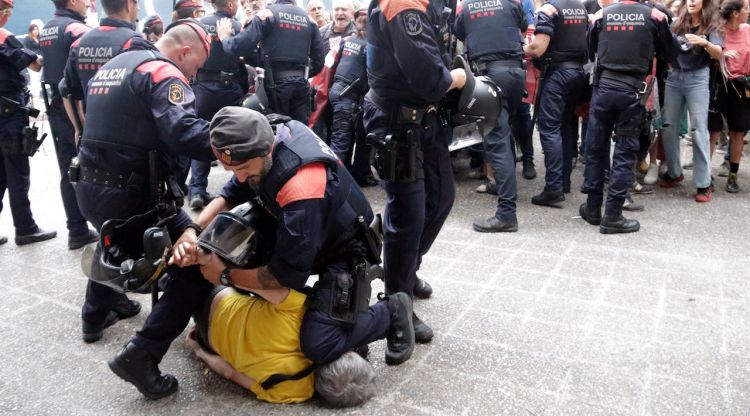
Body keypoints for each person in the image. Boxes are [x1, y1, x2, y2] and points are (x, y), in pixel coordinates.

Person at [172, 107, 416, 366]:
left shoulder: (301, 186)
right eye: (232, 169)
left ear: (267, 150)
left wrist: (224, 276)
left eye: (243, 168)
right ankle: (333, 311)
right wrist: (193, 230)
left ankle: (390, 311)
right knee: (230, 247)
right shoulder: (268, 133)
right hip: (309, 230)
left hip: (346, 249)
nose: (240, 176)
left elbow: (283, 275)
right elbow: (230, 194)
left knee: (319, 343)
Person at [73, 20, 216, 399]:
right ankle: (142, 354)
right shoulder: (162, 72)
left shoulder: (115, 65)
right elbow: (183, 131)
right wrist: (235, 140)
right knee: (197, 263)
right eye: (197, 65)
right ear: (184, 52)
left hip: (91, 188)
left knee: (114, 237)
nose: (195, 74)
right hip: (137, 198)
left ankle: (94, 314)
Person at [363, 0, 467, 342]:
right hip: (397, 120)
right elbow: (430, 79)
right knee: (409, 214)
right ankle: (396, 302)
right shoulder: (403, 3)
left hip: (426, 119)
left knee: (440, 200)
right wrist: (459, 76)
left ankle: (403, 269)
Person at [58, 0, 153, 344]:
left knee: (112, 230)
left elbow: (66, 91)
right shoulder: (135, 43)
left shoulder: (80, 43)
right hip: (126, 150)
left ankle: (115, 299)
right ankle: (94, 314)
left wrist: (81, 129)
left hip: (92, 147)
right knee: (119, 232)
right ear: (129, 5)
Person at [186, 286, 377, 406]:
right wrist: (198, 350)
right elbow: (230, 374)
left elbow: (259, 285)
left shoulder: (309, 320)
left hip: (219, 297)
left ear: (345, 352)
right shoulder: (296, 392)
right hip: (207, 336)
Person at [580, 0, 678, 234]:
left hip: (603, 89)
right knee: (625, 152)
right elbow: (670, 52)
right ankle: (612, 215)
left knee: (595, 149)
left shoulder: (602, 15)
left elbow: (590, 50)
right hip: (631, 91)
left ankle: (593, 208)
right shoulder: (655, 16)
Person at [455, 0, 525, 231]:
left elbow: (459, 32)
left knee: (497, 141)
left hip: (490, 74)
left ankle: (507, 214)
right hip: (515, 73)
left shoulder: (466, 8)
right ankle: (503, 187)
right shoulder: (510, 3)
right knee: (506, 133)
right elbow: (522, 25)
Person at [40, 0, 99, 250]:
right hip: (79, 106)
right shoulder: (75, 29)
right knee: (95, 167)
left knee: (69, 168)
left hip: (57, 106)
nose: (89, 4)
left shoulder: (47, 29)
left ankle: (76, 228)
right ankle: (102, 224)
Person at [0, 0, 56, 246]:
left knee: (0, 175)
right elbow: (34, 64)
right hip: (9, 117)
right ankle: (25, 228)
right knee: (17, 174)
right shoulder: (4, 37)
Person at [524, 0, 589, 206]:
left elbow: (537, 48)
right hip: (578, 73)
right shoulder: (580, 8)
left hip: (558, 74)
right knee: (567, 126)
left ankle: (553, 188)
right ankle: (564, 182)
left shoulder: (548, 9)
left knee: (549, 128)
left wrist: (523, 47)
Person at [220, 0, 325, 123]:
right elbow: (319, 61)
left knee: (277, 131)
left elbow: (239, 47)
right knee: (300, 132)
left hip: (275, 85)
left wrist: (225, 38)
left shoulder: (267, 15)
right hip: (301, 86)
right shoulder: (309, 20)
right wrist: (300, 73)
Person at [659, 0, 723, 202]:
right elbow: (665, 46)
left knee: (698, 129)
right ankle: (674, 172)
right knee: (668, 126)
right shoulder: (677, 22)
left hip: (698, 77)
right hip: (674, 76)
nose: (693, 1)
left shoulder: (713, 24)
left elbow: (719, 53)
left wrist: (705, 43)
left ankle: (704, 183)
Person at [188, 0, 246, 211]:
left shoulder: (199, 25)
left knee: (202, 134)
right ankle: (239, 188)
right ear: (230, 5)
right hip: (230, 88)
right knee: (236, 135)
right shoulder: (237, 26)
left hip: (202, 88)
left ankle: (196, 190)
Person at [329, 8, 374, 187]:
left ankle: (353, 177)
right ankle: (332, 183)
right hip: (348, 96)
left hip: (338, 92)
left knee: (349, 138)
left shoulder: (347, 41)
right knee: (341, 142)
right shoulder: (369, 47)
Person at [714, 0, 750, 192]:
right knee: (712, 131)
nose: (748, 11)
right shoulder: (718, 31)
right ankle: (705, 177)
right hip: (721, 84)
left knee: (738, 132)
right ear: (735, 13)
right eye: (746, 8)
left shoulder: (747, 30)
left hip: (742, 86)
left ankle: (733, 175)